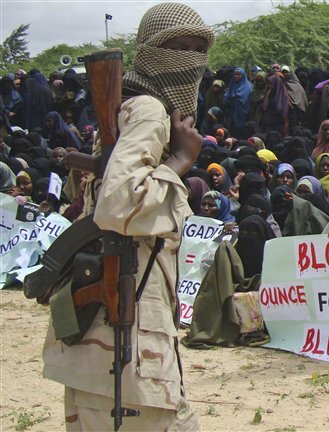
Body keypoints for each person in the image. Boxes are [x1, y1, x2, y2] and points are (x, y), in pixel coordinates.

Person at [42, 3, 215, 430]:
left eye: (198, 49)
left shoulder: (129, 106)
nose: (190, 59)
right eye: (178, 46)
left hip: (116, 322)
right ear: (151, 49)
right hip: (126, 324)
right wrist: (179, 161)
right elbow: (118, 205)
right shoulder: (150, 112)